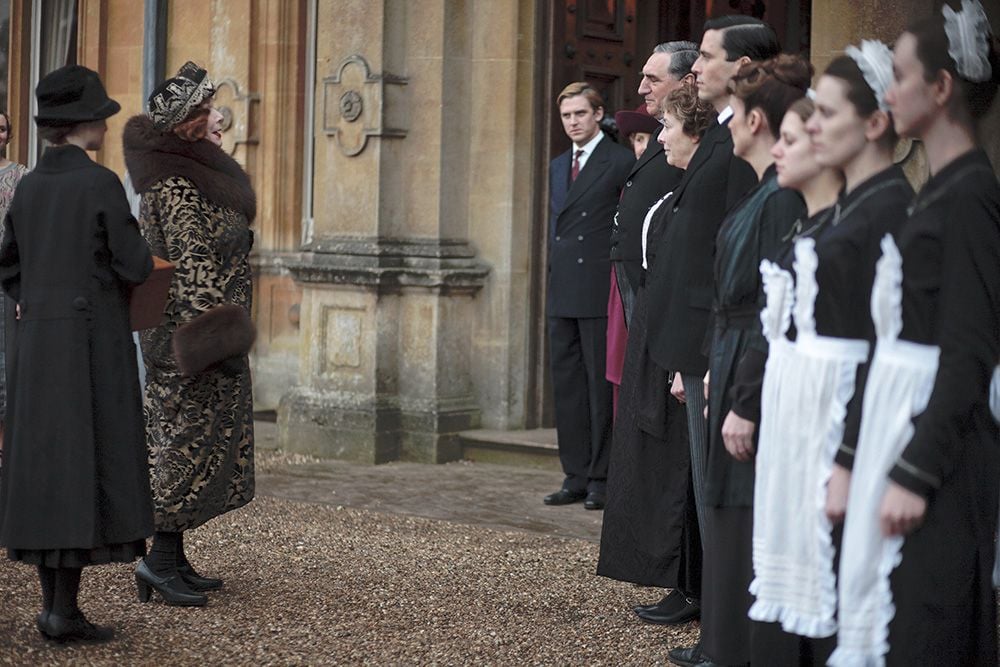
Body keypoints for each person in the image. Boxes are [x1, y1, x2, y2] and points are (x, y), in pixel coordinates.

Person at [831, 2, 1000, 663]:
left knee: (929, 621)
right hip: (897, 428)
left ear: (941, 87)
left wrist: (916, 471)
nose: (889, 89)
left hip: (943, 453)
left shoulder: (971, 196)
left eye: (900, 74)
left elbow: (970, 350)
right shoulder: (937, 188)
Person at [752, 41, 913, 664]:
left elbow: (882, 345)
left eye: (826, 112)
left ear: (875, 123)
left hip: (848, 429)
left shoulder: (889, 210)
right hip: (812, 424)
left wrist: (846, 457)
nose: (812, 127)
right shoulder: (851, 209)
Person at [0, 65, 154, 642]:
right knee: (84, 465)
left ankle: (56, 608)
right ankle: (61, 612)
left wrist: (37, 302)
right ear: (84, 123)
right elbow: (134, 262)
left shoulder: (30, 186)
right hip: (89, 343)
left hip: (38, 343)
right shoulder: (100, 184)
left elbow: (8, 266)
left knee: (46, 469)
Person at [671, 55, 809, 667]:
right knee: (726, 518)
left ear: (756, 120)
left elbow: (767, 307)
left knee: (742, 521)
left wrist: (743, 397)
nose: (724, 123)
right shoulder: (761, 194)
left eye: (735, 115)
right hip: (724, 359)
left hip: (746, 368)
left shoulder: (779, 200)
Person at [644, 17, 777, 646]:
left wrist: (704, 357)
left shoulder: (736, 145)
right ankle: (720, 634)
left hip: (720, 347)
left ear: (745, 67)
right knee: (708, 492)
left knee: (721, 497)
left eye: (707, 56)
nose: (695, 68)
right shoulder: (720, 138)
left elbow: (733, 260)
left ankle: (726, 639)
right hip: (700, 348)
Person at [123, 61, 256, 606]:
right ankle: (157, 562)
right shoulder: (177, 183)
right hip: (187, 341)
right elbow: (194, 266)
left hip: (193, 337)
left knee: (196, 442)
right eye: (202, 111)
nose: (212, 116)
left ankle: (173, 556)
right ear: (184, 124)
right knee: (182, 444)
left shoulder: (193, 170)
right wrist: (216, 343)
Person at [598, 83, 716, 625]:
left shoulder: (706, 181)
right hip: (656, 328)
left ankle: (700, 590)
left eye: (666, 127)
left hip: (685, 343)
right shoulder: (680, 182)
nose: (657, 138)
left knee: (687, 472)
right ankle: (685, 582)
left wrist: (683, 357)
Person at [542, 82, 634, 511]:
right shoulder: (559, 165)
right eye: (566, 116)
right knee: (568, 388)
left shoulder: (618, 160)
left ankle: (601, 477)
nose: (573, 122)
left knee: (600, 386)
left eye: (580, 114)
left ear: (598, 114)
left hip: (598, 289)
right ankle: (574, 474)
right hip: (562, 287)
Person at [606, 41, 698, 417]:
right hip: (637, 288)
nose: (642, 88)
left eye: (652, 79)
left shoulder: (694, 140)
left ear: (686, 82)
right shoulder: (663, 134)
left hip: (665, 296)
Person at [0, 110, 28, 470]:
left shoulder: (21, 176)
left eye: (3, 128)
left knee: (6, 365)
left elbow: (27, 234)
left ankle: (6, 449)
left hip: (6, 280)